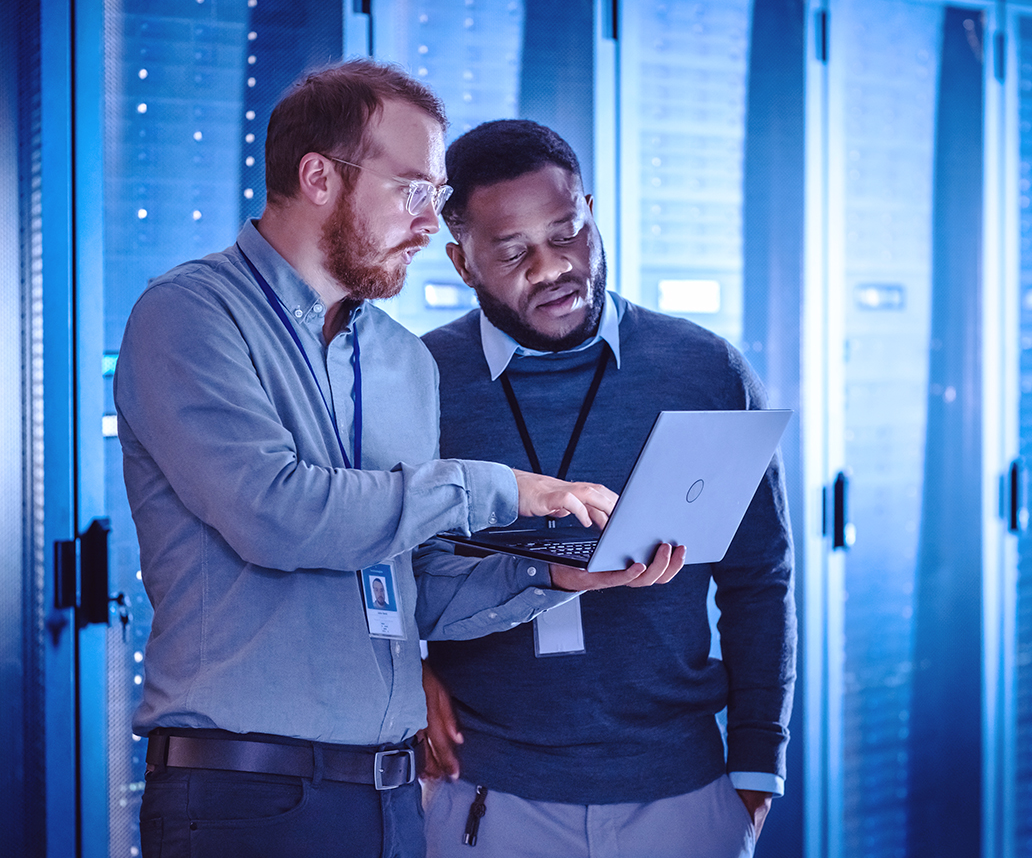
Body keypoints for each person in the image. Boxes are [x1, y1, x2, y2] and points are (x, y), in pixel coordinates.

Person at [114, 62, 682, 858]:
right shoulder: (190, 316)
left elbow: (413, 591)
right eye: (414, 190)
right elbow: (277, 515)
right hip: (245, 796)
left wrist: (554, 576)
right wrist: (504, 488)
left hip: (390, 799)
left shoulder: (400, 360)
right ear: (318, 176)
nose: (430, 225)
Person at [417, 120, 796, 858]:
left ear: (590, 209)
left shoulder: (703, 368)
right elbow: (379, 569)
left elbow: (760, 580)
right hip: (487, 797)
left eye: (568, 232)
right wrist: (412, 672)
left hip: (682, 795)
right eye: (514, 251)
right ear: (463, 263)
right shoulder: (422, 384)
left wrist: (756, 766)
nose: (554, 266)